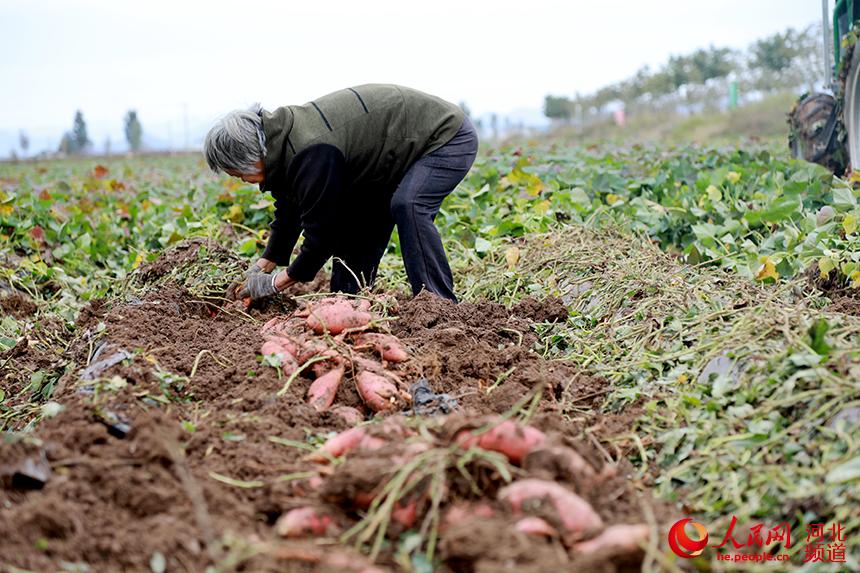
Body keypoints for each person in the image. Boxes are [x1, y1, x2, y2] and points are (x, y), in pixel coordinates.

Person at [203, 84, 478, 303]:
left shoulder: (311, 151)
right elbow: (289, 211)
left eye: (240, 174)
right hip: (385, 163)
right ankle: (348, 302)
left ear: (252, 155)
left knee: (409, 204)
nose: (244, 180)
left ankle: (438, 304)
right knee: (357, 220)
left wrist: (275, 284)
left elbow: (321, 237)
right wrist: (262, 266)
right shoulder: (279, 145)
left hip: (445, 137)